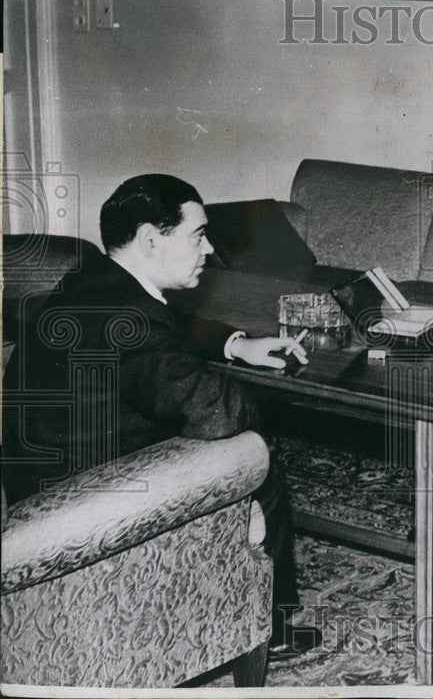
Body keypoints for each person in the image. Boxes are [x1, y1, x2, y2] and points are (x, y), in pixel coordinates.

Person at [1, 174, 319, 658]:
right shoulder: (127, 321)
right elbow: (218, 414)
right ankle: (265, 629)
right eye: (197, 234)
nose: (209, 248)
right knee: (258, 461)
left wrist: (237, 344)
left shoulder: (91, 284)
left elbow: (168, 323)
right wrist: (277, 402)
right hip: (82, 505)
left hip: (36, 484)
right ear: (151, 238)